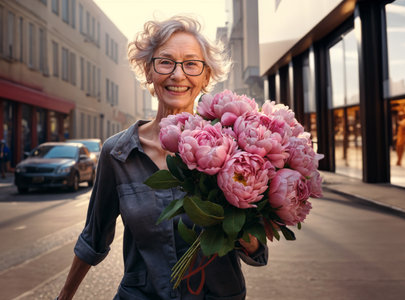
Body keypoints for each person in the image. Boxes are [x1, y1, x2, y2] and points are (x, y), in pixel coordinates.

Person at [56, 16, 267, 300]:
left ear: (206, 77)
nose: (178, 75)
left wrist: (245, 233)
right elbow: (93, 239)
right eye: (166, 62)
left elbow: (257, 252)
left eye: (191, 64)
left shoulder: (234, 145)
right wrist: (64, 296)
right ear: (148, 71)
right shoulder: (118, 153)